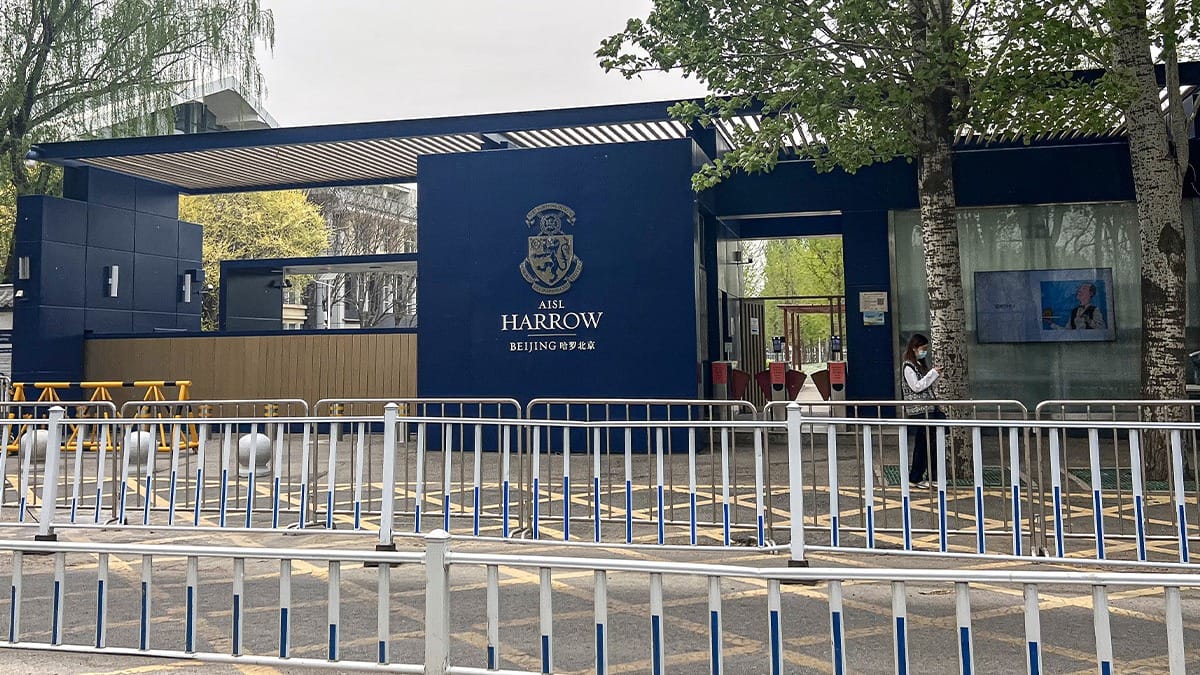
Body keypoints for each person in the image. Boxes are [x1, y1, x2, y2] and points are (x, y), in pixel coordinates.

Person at [900, 334, 945, 488]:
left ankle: (919, 476)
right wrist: (933, 374)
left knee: (925, 443)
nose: (924, 352)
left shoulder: (918, 364)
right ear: (914, 348)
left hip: (927, 409)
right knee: (926, 444)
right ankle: (923, 476)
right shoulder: (908, 366)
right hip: (919, 410)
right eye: (923, 349)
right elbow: (917, 386)